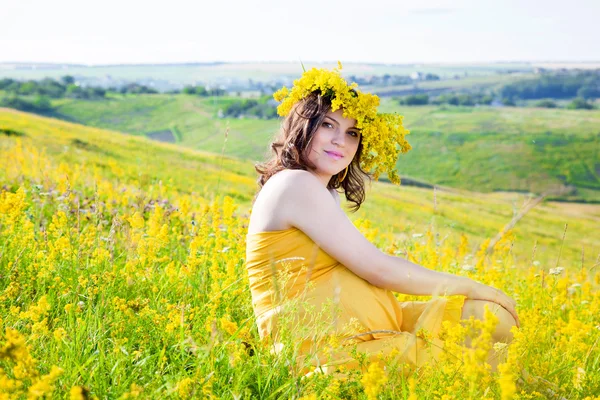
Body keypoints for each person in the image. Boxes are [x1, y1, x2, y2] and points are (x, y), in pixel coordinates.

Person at [245, 63, 519, 376]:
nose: (340, 141)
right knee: (471, 356)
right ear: (301, 126)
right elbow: (377, 269)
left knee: (490, 319)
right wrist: (471, 286)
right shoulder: (294, 184)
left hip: (369, 332)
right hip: (325, 349)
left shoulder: (319, 192)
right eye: (328, 125)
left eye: (352, 133)